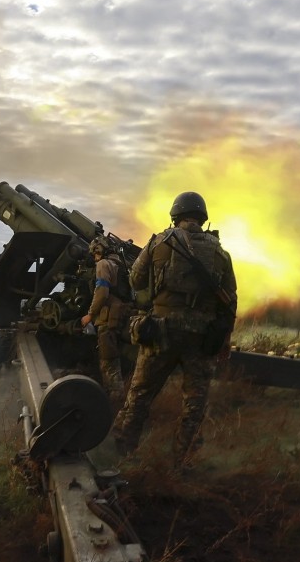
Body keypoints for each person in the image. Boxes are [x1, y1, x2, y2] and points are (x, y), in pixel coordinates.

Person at [112, 191, 237, 469]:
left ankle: (122, 454)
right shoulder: (220, 253)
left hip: (160, 333)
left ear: (175, 216)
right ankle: (182, 462)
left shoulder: (159, 242)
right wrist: (223, 339)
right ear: (203, 218)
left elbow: (135, 278)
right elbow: (230, 302)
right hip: (200, 339)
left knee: (140, 396)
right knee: (194, 407)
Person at [80, 234, 129, 407]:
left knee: (109, 362)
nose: (94, 257)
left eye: (95, 253)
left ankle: (115, 404)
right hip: (120, 315)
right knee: (115, 358)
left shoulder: (103, 264)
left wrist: (90, 315)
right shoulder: (120, 265)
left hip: (108, 318)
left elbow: (101, 292)